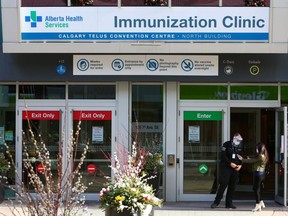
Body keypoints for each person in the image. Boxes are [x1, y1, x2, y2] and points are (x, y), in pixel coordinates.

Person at [210, 133, 244, 209]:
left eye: (240, 140)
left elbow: (241, 157)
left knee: (232, 186)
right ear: (233, 138)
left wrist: (240, 165)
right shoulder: (226, 144)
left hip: (235, 168)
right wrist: (230, 163)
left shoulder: (240, 146)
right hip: (226, 168)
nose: (238, 141)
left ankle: (229, 203)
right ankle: (216, 202)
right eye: (237, 139)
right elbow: (223, 155)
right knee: (223, 185)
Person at [241, 142, 269, 212]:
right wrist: (248, 157)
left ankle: (257, 204)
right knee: (259, 189)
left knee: (256, 190)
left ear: (259, 149)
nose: (256, 149)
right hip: (262, 174)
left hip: (258, 174)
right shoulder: (264, 155)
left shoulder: (260, 156)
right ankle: (261, 202)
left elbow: (251, 161)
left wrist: (241, 159)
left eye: (257, 148)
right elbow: (254, 158)